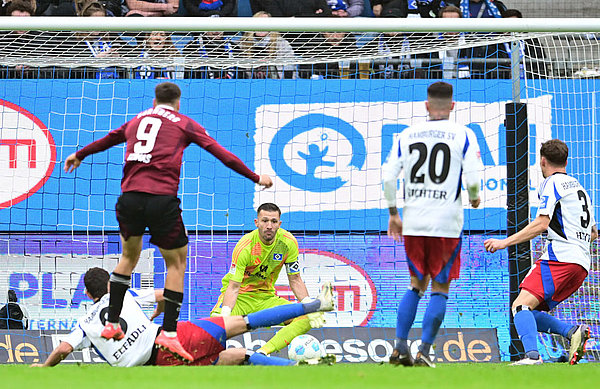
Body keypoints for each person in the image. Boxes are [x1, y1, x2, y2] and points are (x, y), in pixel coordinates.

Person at [64, 82, 273, 362]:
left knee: (127, 259)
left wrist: (80, 154)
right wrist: (256, 177)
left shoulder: (137, 120)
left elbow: (108, 139)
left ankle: (112, 323)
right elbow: (221, 153)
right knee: (176, 263)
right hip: (162, 200)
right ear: (178, 101)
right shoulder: (184, 123)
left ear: (154, 100)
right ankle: (170, 334)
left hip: (129, 199)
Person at [31, 268, 335, 367]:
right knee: (245, 322)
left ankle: (298, 369)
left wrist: (44, 368)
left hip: (161, 364)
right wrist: (155, 315)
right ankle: (316, 305)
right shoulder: (126, 295)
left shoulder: (84, 324)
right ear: (110, 285)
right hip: (173, 338)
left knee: (240, 356)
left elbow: (62, 350)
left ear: (87, 295)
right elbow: (166, 293)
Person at [382, 81, 482, 367]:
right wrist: (474, 198)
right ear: (452, 106)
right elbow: (473, 178)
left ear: (426, 106)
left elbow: (389, 177)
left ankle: (399, 347)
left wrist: (393, 213)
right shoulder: (463, 134)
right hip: (446, 223)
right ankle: (424, 350)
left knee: (415, 283)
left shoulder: (407, 134)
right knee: (440, 287)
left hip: (413, 221)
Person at [484, 139, 597, 365]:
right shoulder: (580, 188)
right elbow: (594, 232)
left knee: (520, 306)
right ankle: (572, 332)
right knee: (528, 312)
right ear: (566, 161)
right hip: (581, 265)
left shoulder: (552, 183)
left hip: (561, 257)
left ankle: (532, 356)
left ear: (542, 161)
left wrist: (504, 242)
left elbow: (542, 223)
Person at [211, 203, 323, 356]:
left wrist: (309, 306)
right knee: (216, 324)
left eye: (273, 221)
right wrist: (225, 314)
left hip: (266, 299)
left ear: (279, 224)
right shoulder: (245, 246)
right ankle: (213, 361)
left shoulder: (288, 243)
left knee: (307, 318)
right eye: (264, 221)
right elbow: (234, 286)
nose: (269, 225)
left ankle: (263, 353)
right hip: (240, 298)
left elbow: (295, 279)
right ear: (256, 222)